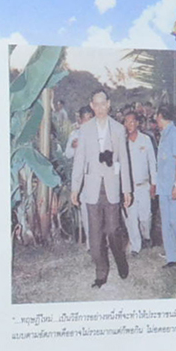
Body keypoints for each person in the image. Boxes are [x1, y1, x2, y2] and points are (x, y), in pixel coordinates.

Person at [71, 90, 133, 288]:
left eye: (102, 104)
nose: (99, 108)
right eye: (95, 104)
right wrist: (75, 188)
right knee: (95, 234)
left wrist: (127, 190)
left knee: (113, 230)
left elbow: (124, 160)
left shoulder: (118, 129)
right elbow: (79, 160)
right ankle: (101, 273)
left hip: (112, 187)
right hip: (91, 188)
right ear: (91, 105)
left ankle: (120, 260)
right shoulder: (85, 129)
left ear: (108, 104)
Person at [155, 104, 176, 268]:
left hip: (174, 184)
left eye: (157, 117)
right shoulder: (164, 134)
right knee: (166, 222)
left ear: (161, 116)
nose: (156, 120)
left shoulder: (174, 134)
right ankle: (172, 258)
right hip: (163, 185)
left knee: (175, 220)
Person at [122, 112, 157, 255]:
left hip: (144, 185)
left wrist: (154, 184)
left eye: (132, 122)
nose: (129, 125)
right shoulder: (123, 142)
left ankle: (146, 236)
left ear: (137, 123)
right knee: (131, 218)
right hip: (130, 188)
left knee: (145, 217)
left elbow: (152, 163)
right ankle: (136, 246)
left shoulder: (146, 140)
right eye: (126, 122)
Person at [64, 106, 94, 249]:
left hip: (96, 177)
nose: (87, 122)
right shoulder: (75, 134)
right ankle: (90, 244)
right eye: (85, 119)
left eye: (90, 119)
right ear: (80, 120)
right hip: (81, 179)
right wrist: (73, 146)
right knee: (86, 212)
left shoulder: (98, 133)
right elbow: (67, 154)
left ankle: (101, 242)